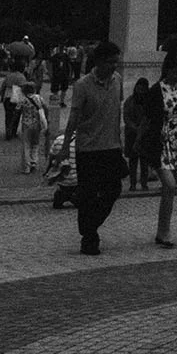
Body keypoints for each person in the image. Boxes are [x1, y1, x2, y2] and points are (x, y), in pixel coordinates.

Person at [59, 40, 128, 254]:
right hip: (88, 148)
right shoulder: (82, 86)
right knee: (89, 194)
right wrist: (65, 145)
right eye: (110, 62)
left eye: (116, 62)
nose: (114, 66)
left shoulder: (117, 80)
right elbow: (74, 117)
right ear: (98, 61)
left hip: (112, 146)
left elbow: (118, 111)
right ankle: (89, 237)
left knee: (113, 189)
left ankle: (90, 225)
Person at [142, 51, 177, 248]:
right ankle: (164, 231)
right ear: (167, 70)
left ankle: (163, 229)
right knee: (169, 185)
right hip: (161, 141)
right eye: (175, 72)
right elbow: (148, 118)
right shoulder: (156, 90)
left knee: (170, 190)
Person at [124, 76, 156, 190]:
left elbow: (150, 117)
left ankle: (144, 183)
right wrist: (135, 128)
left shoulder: (148, 102)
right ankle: (132, 184)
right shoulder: (130, 100)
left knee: (144, 162)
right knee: (133, 161)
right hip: (132, 134)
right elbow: (126, 117)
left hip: (145, 135)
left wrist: (143, 129)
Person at [16, 86, 48, 176]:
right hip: (37, 124)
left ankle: (27, 167)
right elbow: (45, 107)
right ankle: (34, 162)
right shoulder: (39, 98)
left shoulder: (23, 100)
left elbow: (17, 110)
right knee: (35, 144)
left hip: (26, 124)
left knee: (26, 145)